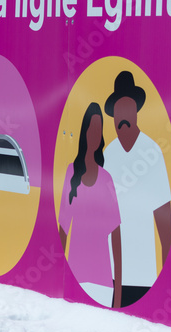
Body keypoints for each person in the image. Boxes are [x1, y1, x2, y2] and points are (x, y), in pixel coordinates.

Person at [103, 70, 171, 307]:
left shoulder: (151, 152)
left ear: (136, 112)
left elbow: (163, 218)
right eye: (119, 112)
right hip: (109, 274)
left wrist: (166, 275)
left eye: (128, 110)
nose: (123, 117)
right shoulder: (108, 154)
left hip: (143, 274)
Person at [57, 102, 123, 308]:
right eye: (91, 129)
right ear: (84, 133)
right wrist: (58, 276)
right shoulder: (70, 173)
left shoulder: (107, 179)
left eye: (98, 130)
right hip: (74, 275)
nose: (95, 135)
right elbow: (62, 229)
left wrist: (118, 290)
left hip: (102, 278)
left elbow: (116, 236)